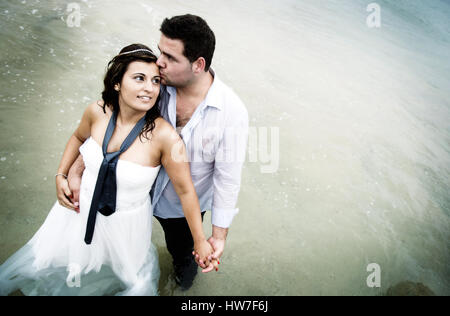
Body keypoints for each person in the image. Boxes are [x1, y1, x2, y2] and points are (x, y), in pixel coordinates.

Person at [0, 43, 215, 296]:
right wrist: (61, 174)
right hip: (77, 213)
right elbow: (78, 138)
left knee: (129, 281)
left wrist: (201, 242)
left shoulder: (166, 138)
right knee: (59, 269)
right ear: (117, 83)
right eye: (139, 78)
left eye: (156, 81)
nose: (149, 88)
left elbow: (186, 191)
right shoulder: (97, 112)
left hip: (127, 226)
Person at [69, 14, 248, 291]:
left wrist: (217, 236)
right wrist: (75, 170)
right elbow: (110, 126)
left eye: (170, 57)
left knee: (182, 259)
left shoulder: (232, 113)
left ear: (198, 64)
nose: (159, 62)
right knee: (113, 248)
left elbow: (227, 178)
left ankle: (179, 287)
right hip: (131, 192)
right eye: (160, 50)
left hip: (181, 207)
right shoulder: (153, 83)